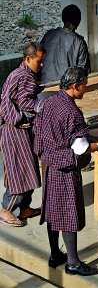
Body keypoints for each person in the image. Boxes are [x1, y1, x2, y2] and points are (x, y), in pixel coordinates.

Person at [33, 67, 98, 275]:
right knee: (67, 213)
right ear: (75, 86)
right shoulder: (72, 112)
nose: (85, 89)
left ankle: (55, 254)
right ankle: (73, 262)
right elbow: (80, 149)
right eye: (84, 86)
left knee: (53, 210)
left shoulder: (49, 102)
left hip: (50, 164)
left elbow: (41, 130)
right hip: (65, 167)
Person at [0, 42, 45, 227]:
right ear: (28, 59)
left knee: (29, 169)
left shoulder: (23, 74)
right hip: (14, 130)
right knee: (19, 172)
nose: (41, 65)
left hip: (20, 129)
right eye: (39, 61)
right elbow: (26, 102)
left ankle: (24, 208)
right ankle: (6, 209)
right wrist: (42, 106)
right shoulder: (23, 76)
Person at [40, 4, 90, 84]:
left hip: (45, 84)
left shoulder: (49, 34)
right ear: (79, 21)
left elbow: (38, 58)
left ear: (63, 18)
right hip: (66, 88)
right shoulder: (79, 42)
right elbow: (83, 72)